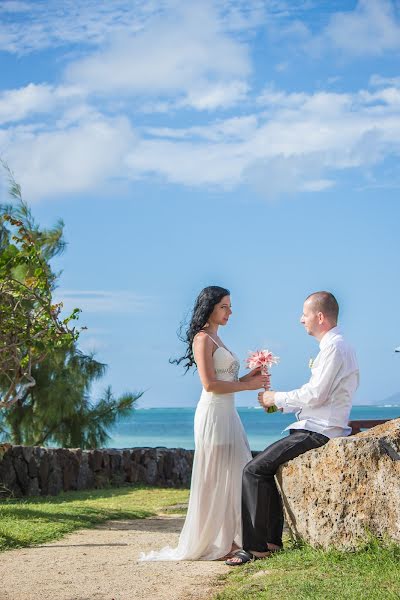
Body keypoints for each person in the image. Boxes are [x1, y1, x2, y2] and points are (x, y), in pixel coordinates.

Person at [226, 291, 359, 566]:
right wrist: (279, 403)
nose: (301, 320)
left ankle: (255, 547)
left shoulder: (335, 347)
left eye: (305, 314)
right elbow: (318, 396)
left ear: (320, 317)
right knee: (264, 468)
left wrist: (277, 398)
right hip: (315, 426)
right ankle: (271, 541)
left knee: (252, 470)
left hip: (320, 431)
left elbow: (316, 394)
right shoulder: (334, 346)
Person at [139, 286, 267, 561]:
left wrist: (250, 378)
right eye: (225, 306)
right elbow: (209, 384)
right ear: (210, 307)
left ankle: (236, 539)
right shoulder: (202, 339)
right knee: (217, 475)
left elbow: (227, 381)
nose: (230, 311)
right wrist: (246, 387)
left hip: (229, 414)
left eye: (230, 306)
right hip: (213, 414)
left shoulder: (218, 339)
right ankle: (222, 543)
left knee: (237, 471)